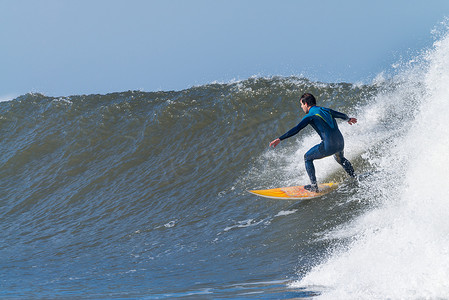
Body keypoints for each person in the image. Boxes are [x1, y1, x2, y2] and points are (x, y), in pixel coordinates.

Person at [269, 93, 357, 192]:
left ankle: (314, 187)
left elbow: (297, 129)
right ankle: (354, 177)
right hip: (340, 143)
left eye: (301, 105)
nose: (301, 107)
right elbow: (342, 115)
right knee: (340, 158)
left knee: (307, 157)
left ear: (306, 104)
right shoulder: (326, 110)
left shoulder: (310, 115)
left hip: (329, 146)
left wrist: (280, 139)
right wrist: (349, 119)